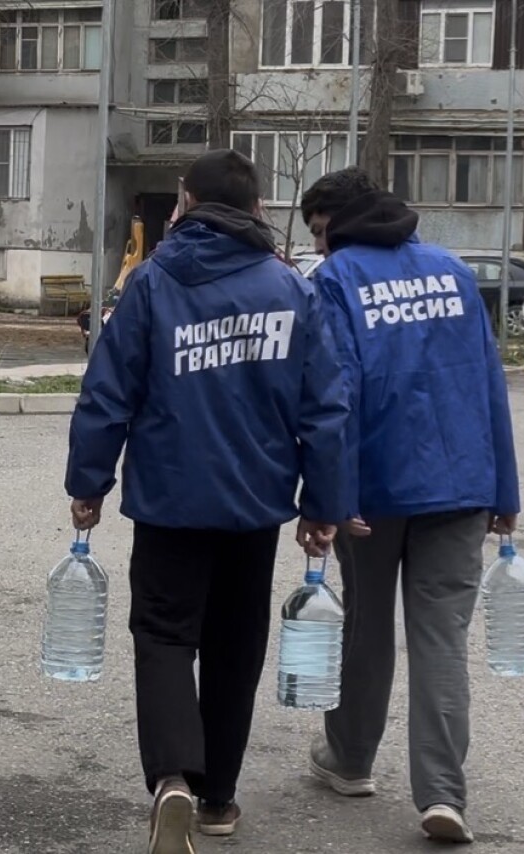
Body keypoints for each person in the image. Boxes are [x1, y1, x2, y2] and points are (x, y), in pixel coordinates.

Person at [65, 149, 351, 854]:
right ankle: (218, 797)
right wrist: (323, 505)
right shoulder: (289, 289)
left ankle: (172, 778)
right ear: (256, 208)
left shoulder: (153, 282)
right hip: (254, 505)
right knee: (234, 646)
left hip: (169, 502)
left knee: (165, 636)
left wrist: (88, 483)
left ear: (185, 203)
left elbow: (108, 390)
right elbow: (325, 408)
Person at [299, 167, 521, 844]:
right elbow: (488, 381)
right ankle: (443, 794)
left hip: (376, 491)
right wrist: (505, 491)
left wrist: (332, 497)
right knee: (441, 639)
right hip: (462, 484)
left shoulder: (336, 280)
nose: (319, 244)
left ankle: (350, 760)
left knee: (366, 626)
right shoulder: (453, 271)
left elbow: (335, 395)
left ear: (341, 224)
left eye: (320, 231)